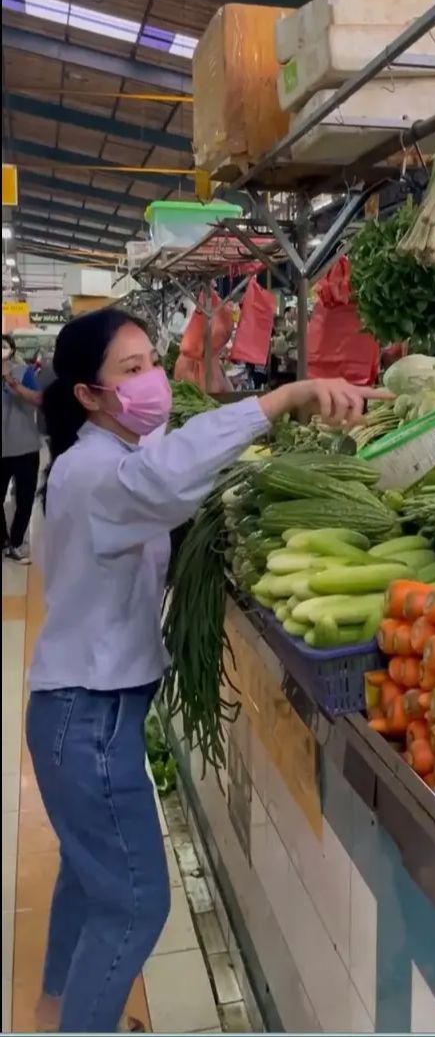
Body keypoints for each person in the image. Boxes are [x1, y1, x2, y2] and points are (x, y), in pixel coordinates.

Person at [27, 308, 390, 1034]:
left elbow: (179, 450)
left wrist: (239, 391)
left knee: (90, 875)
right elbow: (167, 477)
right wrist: (283, 397)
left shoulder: (109, 451)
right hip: (88, 718)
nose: (152, 382)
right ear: (88, 395)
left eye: (152, 362)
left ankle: (60, 1010)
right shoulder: (99, 475)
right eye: (130, 372)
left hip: (82, 713)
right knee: (134, 902)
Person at [1, 333, 43, 562]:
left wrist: (13, 384)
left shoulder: (24, 373)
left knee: (25, 498)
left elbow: (39, 399)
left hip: (25, 447)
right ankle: (4, 540)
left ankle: (16, 542)